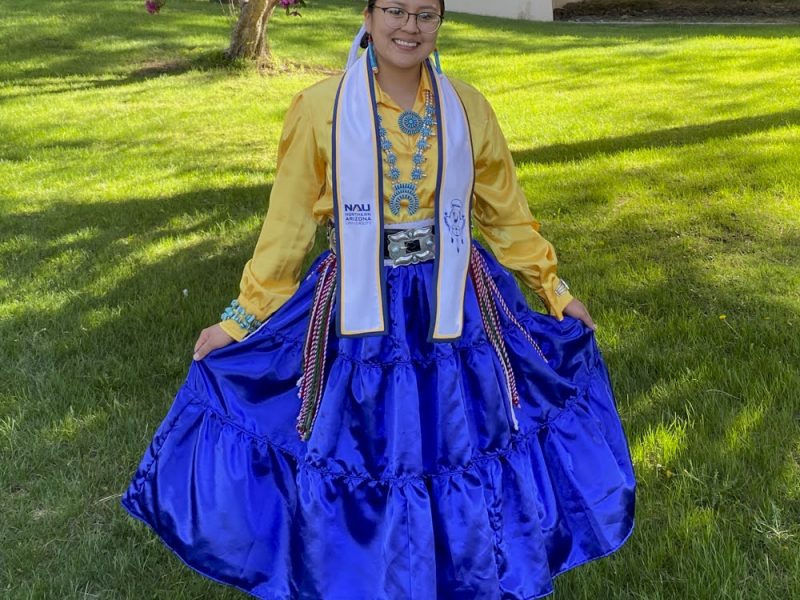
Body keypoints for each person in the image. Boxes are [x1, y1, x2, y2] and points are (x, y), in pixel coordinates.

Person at [121, 1, 636, 598]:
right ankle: (360, 574)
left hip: (457, 309)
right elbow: (287, 227)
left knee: (458, 441)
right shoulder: (321, 108)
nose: (408, 27)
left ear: (439, 24)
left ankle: (462, 569)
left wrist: (554, 289)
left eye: (425, 14)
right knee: (364, 447)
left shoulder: (466, 107)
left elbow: (507, 216)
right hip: (358, 313)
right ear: (367, 17)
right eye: (394, 10)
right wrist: (241, 321)